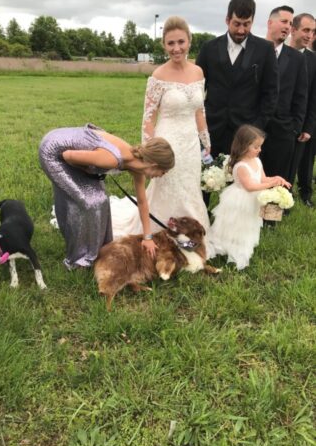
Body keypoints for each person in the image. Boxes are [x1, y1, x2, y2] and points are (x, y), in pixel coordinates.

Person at [110, 16, 212, 250]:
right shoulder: (158, 76)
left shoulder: (198, 72)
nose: (176, 48)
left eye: (181, 42)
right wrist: (150, 152)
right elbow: (148, 118)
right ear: (164, 45)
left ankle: (192, 234)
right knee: (166, 186)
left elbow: (200, 111)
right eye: (170, 43)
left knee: (189, 185)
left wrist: (206, 140)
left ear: (189, 41)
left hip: (190, 144)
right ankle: (160, 233)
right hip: (167, 141)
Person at [39, 123, 175, 269]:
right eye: (163, 171)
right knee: (91, 202)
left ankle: (100, 250)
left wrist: (147, 238)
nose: (162, 176)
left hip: (72, 154)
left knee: (102, 200)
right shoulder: (112, 159)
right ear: (154, 165)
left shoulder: (137, 168)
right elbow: (68, 156)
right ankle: (80, 259)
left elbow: (142, 202)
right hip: (53, 152)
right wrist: (88, 171)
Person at [196, 0, 279, 158]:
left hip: (246, 135)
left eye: (246, 24)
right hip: (212, 130)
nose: (241, 30)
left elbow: (271, 93)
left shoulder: (265, 50)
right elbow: (197, 90)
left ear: (252, 21)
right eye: (237, 24)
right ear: (227, 20)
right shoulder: (209, 48)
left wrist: (256, 129)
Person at [208, 125, 291, 270]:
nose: (260, 150)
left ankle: (243, 246)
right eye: (256, 147)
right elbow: (250, 186)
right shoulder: (241, 166)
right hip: (240, 200)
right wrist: (271, 184)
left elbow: (262, 179)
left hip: (252, 201)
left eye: (260, 146)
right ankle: (228, 248)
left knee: (249, 225)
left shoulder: (257, 161)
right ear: (244, 146)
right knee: (236, 225)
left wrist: (276, 178)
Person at [261, 6, 307, 182]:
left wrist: (293, 128)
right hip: (253, 130)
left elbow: (301, 96)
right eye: (284, 21)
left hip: (282, 133)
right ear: (270, 22)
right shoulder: (254, 50)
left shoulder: (297, 58)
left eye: (290, 23)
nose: (288, 26)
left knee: (277, 184)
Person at [288, 13, 316, 208]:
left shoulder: (313, 60)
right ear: (293, 29)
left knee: (305, 160)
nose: (310, 35)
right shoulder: (276, 52)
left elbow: (314, 96)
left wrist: (309, 126)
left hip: (304, 120)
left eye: (313, 32)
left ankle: (305, 194)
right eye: (306, 30)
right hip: (279, 120)